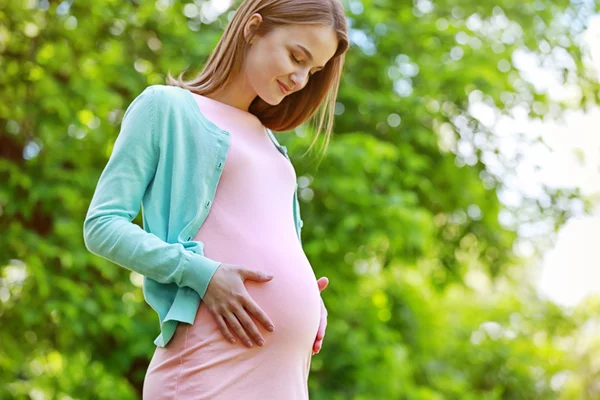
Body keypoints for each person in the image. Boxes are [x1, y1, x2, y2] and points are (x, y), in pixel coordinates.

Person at [83, 0, 348, 398]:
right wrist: (201, 273)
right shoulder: (166, 108)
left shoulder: (273, 146)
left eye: (312, 71)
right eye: (296, 56)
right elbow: (102, 226)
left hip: (283, 379)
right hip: (207, 369)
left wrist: (309, 299)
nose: (299, 78)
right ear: (253, 28)